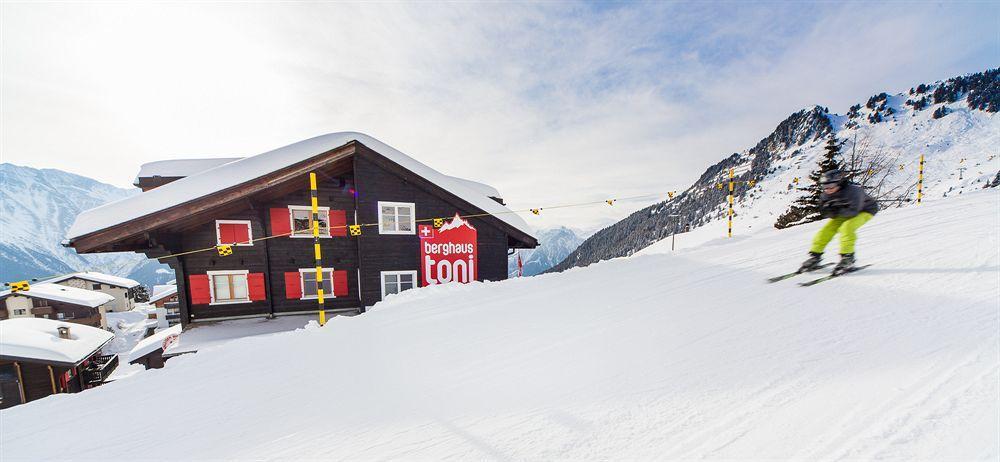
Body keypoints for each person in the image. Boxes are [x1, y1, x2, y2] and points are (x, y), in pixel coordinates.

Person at [799, 169, 878, 274]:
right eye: (824, 186)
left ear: (839, 182)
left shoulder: (854, 191)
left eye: (831, 185)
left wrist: (836, 208)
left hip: (865, 210)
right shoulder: (825, 195)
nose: (828, 189)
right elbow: (826, 214)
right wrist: (830, 210)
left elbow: (853, 211)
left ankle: (848, 258)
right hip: (844, 212)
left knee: (847, 227)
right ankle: (815, 256)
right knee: (826, 230)